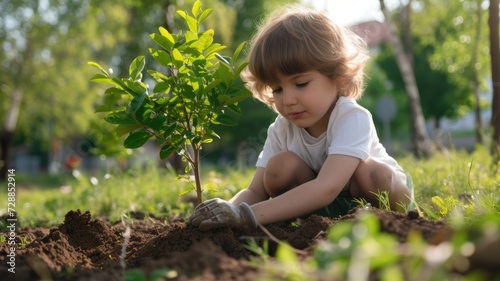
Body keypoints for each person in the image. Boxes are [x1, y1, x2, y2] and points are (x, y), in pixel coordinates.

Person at [189, 4, 413, 231]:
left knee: (372, 172)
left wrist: (247, 215)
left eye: (301, 84)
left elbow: (327, 187)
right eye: (277, 89)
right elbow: (256, 191)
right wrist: (228, 209)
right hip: (322, 206)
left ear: (337, 76)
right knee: (279, 168)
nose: (287, 100)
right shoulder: (281, 129)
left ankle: (388, 225)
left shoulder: (351, 117)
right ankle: (313, 225)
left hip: (380, 198)